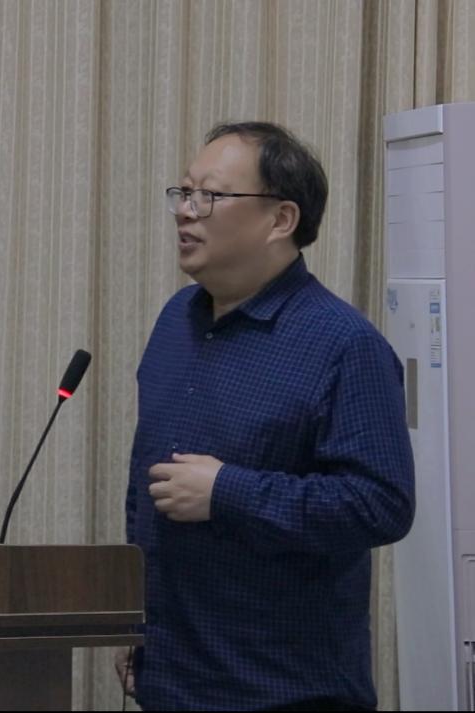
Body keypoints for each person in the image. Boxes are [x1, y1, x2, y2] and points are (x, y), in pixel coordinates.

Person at [116, 121, 415, 711]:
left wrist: (228, 492)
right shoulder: (177, 319)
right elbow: (147, 491)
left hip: (282, 689)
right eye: (184, 192)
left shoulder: (344, 345)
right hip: (172, 677)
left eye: (210, 195)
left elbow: (381, 504)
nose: (186, 211)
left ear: (281, 219)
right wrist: (136, 621)